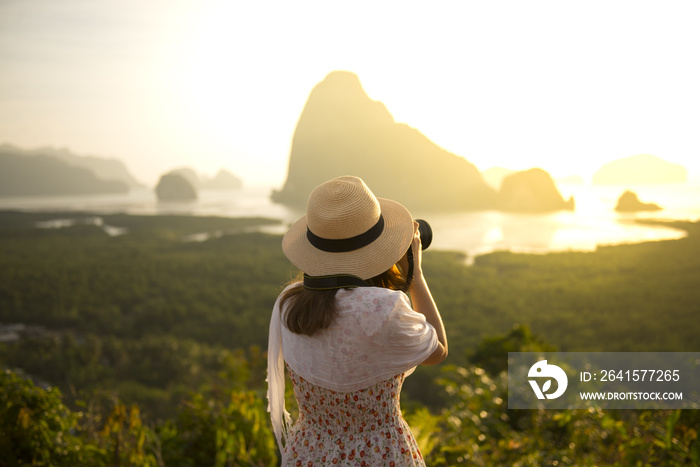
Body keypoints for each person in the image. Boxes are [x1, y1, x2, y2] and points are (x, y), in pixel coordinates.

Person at [267, 175, 448, 466]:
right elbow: (438, 349)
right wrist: (415, 276)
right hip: (379, 454)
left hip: (308, 453)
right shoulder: (382, 308)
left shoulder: (289, 304)